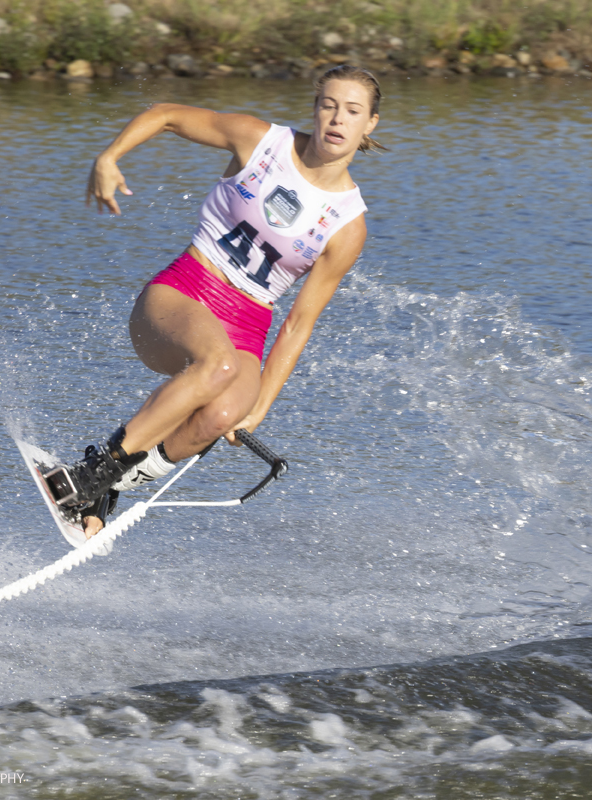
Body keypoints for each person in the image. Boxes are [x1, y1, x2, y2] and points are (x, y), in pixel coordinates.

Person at [47, 65, 384, 538]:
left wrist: (261, 403)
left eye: (352, 111)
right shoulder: (261, 141)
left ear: (369, 124)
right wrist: (109, 156)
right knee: (219, 366)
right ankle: (92, 472)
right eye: (328, 105)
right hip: (184, 290)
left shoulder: (348, 225)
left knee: (225, 410)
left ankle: (114, 482)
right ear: (314, 108)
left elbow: (298, 324)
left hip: (250, 323)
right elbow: (165, 115)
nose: (336, 119)